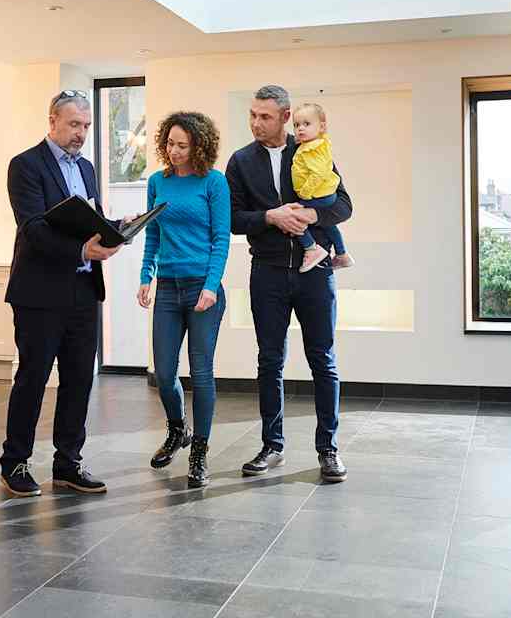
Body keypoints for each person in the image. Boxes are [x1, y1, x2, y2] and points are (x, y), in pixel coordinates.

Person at [225, 85, 352, 483]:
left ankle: (328, 449)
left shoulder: (311, 148)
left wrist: (311, 217)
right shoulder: (240, 161)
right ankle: (272, 445)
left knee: (323, 360)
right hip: (267, 273)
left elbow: (343, 205)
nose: (255, 123)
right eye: (252, 115)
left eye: (264, 116)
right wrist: (270, 217)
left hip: (316, 272)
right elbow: (231, 219)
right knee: (269, 361)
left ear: (284, 116)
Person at [0, 90, 120, 498]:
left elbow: (89, 220)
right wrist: (82, 250)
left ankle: (68, 463)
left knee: (79, 380)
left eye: (86, 126)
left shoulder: (86, 168)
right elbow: (34, 228)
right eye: (73, 125)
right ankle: (14, 463)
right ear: (52, 121)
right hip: (39, 293)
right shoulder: (25, 165)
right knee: (33, 379)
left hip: (84, 290)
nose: (81, 133)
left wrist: (117, 229)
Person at [137, 112, 230, 489]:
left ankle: (200, 451)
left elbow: (221, 238)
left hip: (202, 289)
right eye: (170, 144)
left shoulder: (214, 182)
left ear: (198, 147)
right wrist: (146, 276)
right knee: (163, 372)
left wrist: (211, 285)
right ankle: (178, 430)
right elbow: (152, 234)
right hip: (168, 288)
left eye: (182, 146)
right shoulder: (157, 182)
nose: (174, 151)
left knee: (201, 371)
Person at [289, 102, 354, 272]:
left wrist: (305, 194)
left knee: (293, 218)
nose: (300, 128)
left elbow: (318, 174)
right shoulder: (317, 144)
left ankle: (311, 248)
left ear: (322, 127)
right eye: (296, 125)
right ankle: (342, 254)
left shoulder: (311, 148)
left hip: (317, 195)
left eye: (306, 124)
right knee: (328, 224)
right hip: (326, 195)